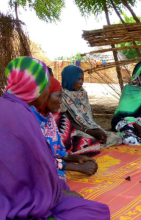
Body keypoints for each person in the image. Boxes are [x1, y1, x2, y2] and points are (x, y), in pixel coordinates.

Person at [0, 57, 110, 219]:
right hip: (17, 197)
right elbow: (35, 168)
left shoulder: (10, 105)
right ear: (34, 87)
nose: (47, 90)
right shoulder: (23, 116)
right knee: (95, 212)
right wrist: (58, 193)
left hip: (15, 191)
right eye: (45, 86)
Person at [31, 76, 99, 182]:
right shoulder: (30, 119)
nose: (60, 102)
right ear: (46, 95)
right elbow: (37, 160)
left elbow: (57, 150)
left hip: (52, 168)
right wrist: (77, 168)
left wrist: (76, 159)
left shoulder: (48, 117)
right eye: (58, 96)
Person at [61, 65, 122, 148]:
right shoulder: (61, 96)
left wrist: (96, 130)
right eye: (78, 79)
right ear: (69, 79)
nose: (81, 82)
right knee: (88, 140)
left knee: (116, 137)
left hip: (89, 128)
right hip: (75, 130)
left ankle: (94, 144)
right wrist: (89, 131)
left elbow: (88, 119)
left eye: (82, 79)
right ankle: (92, 144)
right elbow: (66, 122)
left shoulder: (83, 93)